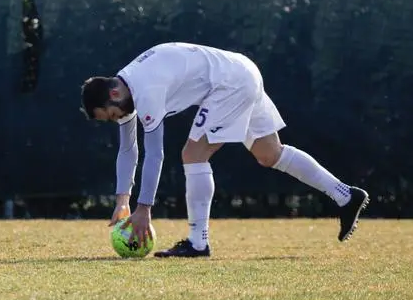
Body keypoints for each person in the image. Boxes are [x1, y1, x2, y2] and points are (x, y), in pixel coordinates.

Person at [80, 41, 369, 258]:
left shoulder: (145, 89)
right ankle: (345, 195)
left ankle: (198, 242)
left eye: (112, 115)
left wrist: (143, 210)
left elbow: (154, 153)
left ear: (114, 95)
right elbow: (128, 149)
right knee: (269, 153)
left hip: (229, 84)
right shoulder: (124, 87)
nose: (117, 120)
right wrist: (122, 200)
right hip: (241, 71)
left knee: (193, 154)